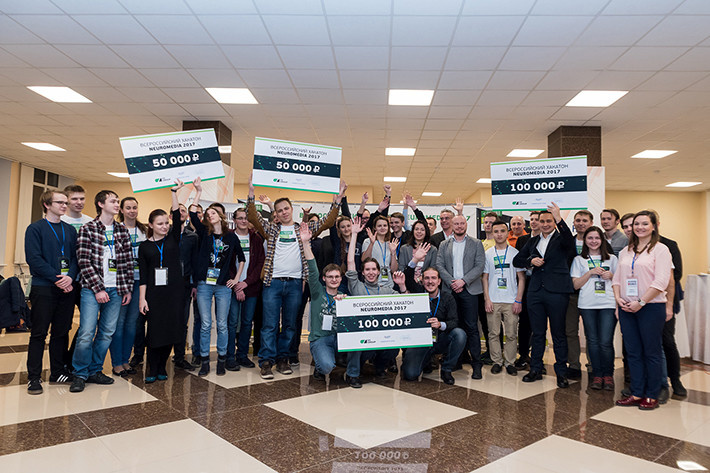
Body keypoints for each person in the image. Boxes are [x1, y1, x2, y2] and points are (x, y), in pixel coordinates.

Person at [247, 174, 345, 379]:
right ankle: (267, 362)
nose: (283, 212)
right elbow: (254, 218)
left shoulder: (303, 229)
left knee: (290, 324)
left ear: (292, 209)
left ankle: (283, 359)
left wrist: (337, 201)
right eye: (279, 210)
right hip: (272, 282)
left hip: (294, 284)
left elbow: (327, 222)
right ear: (276, 213)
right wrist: (251, 193)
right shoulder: (271, 229)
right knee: (269, 325)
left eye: (286, 209)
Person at [70, 190, 133, 393]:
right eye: (113, 201)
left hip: (116, 289)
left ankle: (95, 370)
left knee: (106, 333)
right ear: (101, 204)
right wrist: (98, 289)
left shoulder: (122, 230)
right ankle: (80, 373)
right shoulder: (88, 229)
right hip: (91, 289)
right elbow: (84, 262)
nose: (117, 204)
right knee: (86, 333)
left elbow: (127, 263)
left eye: (117, 201)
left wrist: (127, 289)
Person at [613, 211, 672, 410]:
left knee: (651, 352)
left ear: (654, 226)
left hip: (651, 307)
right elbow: (617, 279)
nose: (639, 227)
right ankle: (637, 392)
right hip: (626, 308)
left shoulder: (661, 250)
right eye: (636, 224)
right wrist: (618, 299)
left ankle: (652, 394)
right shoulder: (625, 250)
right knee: (633, 352)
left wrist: (641, 302)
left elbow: (661, 281)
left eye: (645, 223)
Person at [513, 202, 576, 388]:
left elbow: (570, 243)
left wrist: (559, 218)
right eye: (542, 221)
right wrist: (530, 260)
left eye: (549, 221)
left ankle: (561, 372)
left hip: (557, 292)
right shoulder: (532, 241)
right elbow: (517, 260)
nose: (546, 224)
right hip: (535, 293)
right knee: (538, 333)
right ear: (537, 223)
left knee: (558, 333)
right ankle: (535, 369)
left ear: (554, 222)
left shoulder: (562, 238)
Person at [189, 177, 245, 376]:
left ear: (221, 216)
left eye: (213, 213)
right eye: (207, 213)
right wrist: (198, 191)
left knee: (222, 325)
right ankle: (205, 361)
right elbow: (192, 214)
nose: (209, 215)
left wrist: (236, 279)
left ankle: (221, 360)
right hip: (204, 284)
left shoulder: (231, 236)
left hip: (223, 286)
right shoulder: (204, 233)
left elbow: (241, 258)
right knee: (205, 324)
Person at [25, 190, 78, 394]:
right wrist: (58, 279)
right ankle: (33, 377)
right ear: (47, 205)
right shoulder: (35, 229)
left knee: (61, 332)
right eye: (60, 202)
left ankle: (57, 371)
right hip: (44, 288)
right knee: (39, 333)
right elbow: (34, 259)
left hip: (67, 287)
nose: (65, 206)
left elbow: (75, 258)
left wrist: (70, 277)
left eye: (65, 202)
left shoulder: (70, 230)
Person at [346, 217, 407, 384]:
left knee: (393, 347)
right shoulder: (356, 286)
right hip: (361, 335)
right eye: (367, 269)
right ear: (362, 272)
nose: (371, 272)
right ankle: (353, 373)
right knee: (357, 344)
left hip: (380, 334)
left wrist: (402, 286)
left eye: (374, 269)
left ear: (379, 272)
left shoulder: (386, 290)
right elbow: (350, 261)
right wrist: (354, 234)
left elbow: (405, 301)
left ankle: (380, 368)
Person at [299, 223, 360, 386]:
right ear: (324, 278)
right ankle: (320, 366)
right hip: (321, 338)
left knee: (357, 342)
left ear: (341, 279)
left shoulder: (345, 297)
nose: (334, 279)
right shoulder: (317, 291)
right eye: (330, 277)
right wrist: (305, 243)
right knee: (327, 367)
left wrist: (345, 304)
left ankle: (352, 374)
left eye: (337, 277)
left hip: (339, 338)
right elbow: (312, 268)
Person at [137, 186, 185, 383]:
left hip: (174, 293)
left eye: (166, 223)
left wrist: (174, 193)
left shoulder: (173, 238)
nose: (164, 227)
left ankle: (162, 366)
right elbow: (143, 275)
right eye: (160, 224)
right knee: (155, 331)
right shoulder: (144, 247)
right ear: (151, 224)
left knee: (171, 331)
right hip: (154, 294)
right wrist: (142, 299)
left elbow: (177, 216)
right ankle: (152, 366)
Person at [401, 251, 466, 385]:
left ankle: (446, 370)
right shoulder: (418, 293)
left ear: (439, 281)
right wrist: (415, 259)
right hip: (420, 341)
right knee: (410, 375)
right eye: (426, 278)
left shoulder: (447, 297)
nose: (430, 282)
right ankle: (425, 361)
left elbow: (454, 321)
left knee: (460, 334)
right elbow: (407, 277)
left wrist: (440, 324)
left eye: (433, 278)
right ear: (422, 280)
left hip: (439, 339)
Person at [436, 214, 486, 379]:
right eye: (456, 223)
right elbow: (439, 265)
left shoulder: (476, 243)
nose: (459, 226)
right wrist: (452, 282)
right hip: (450, 290)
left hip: (469, 290)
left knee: (472, 327)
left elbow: (479, 266)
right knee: (453, 326)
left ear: (466, 224)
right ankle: (455, 361)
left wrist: (463, 281)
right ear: (452, 225)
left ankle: (476, 364)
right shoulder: (444, 244)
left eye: (462, 223)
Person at [571, 226, 618, 391]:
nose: (593, 241)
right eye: (590, 238)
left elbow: (620, 282)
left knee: (605, 341)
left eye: (597, 238)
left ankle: (608, 375)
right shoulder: (579, 260)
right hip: (587, 304)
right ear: (585, 240)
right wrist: (589, 273)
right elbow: (575, 285)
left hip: (608, 304)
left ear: (602, 240)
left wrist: (612, 276)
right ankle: (597, 374)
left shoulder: (612, 259)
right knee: (592, 341)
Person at [651, 210, 688, 399]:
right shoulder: (634, 247)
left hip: (666, 300)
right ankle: (654, 381)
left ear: (656, 224)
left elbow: (677, 274)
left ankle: (675, 380)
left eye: (648, 223)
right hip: (644, 302)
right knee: (649, 343)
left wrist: (652, 288)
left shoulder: (668, 245)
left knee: (667, 341)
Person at [482, 220, 525, 376]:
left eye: (502, 231)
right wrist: (487, 299)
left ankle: (509, 362)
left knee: (512, 334)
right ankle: (497, 361)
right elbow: (485, 278)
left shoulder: (515, 253)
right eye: (496, 231)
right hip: (493, 300)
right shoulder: (488, 254)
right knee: (493, 333)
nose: (499, 234)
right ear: (492, 233)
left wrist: (518, 300)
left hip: (511, 300)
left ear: (507, 233)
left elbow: (521, 278)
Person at [109, 197, 146, 377]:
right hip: (121, 281)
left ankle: (125, 360)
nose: (132, 211)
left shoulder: (144, 230)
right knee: (119, 323)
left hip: (139, 281)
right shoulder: (115, 230)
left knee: (132, 324)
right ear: (121, 210)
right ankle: (116, 363)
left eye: (135, 207)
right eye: (128, 208)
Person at [227, 208, 265, 370]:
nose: (243, 221)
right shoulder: (228, 237)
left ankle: (242, 355)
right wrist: (237, 285)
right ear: (234, 220)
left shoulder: (256, 239)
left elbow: (260, 264)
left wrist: (246, 283)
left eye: (246, 218)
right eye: (240, 218)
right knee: (231, 322)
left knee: (247, 322)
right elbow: (226, 264)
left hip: (251, 288)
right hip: (232, 287)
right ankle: (229, 356)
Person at [514, 211, 541, 368]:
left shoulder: (547, 240)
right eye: (532, 219)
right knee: (524, 321)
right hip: (525, 282)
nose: (534, 222)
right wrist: (530, 262)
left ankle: (537, 357)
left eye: (537, 219)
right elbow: (518, 261)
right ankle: (523, 355)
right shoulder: (522, 240)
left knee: (538, 323)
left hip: (541, 283)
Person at [361, 216, 400, 289]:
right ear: (375, 228)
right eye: (379, 226)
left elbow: (394, 269)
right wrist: (372, 243)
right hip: (372, 282)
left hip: (389, 284)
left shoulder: (390, 244)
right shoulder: (368, 241)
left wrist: (393, 252)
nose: (382, 228)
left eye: (385, 225)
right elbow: (364, 260)